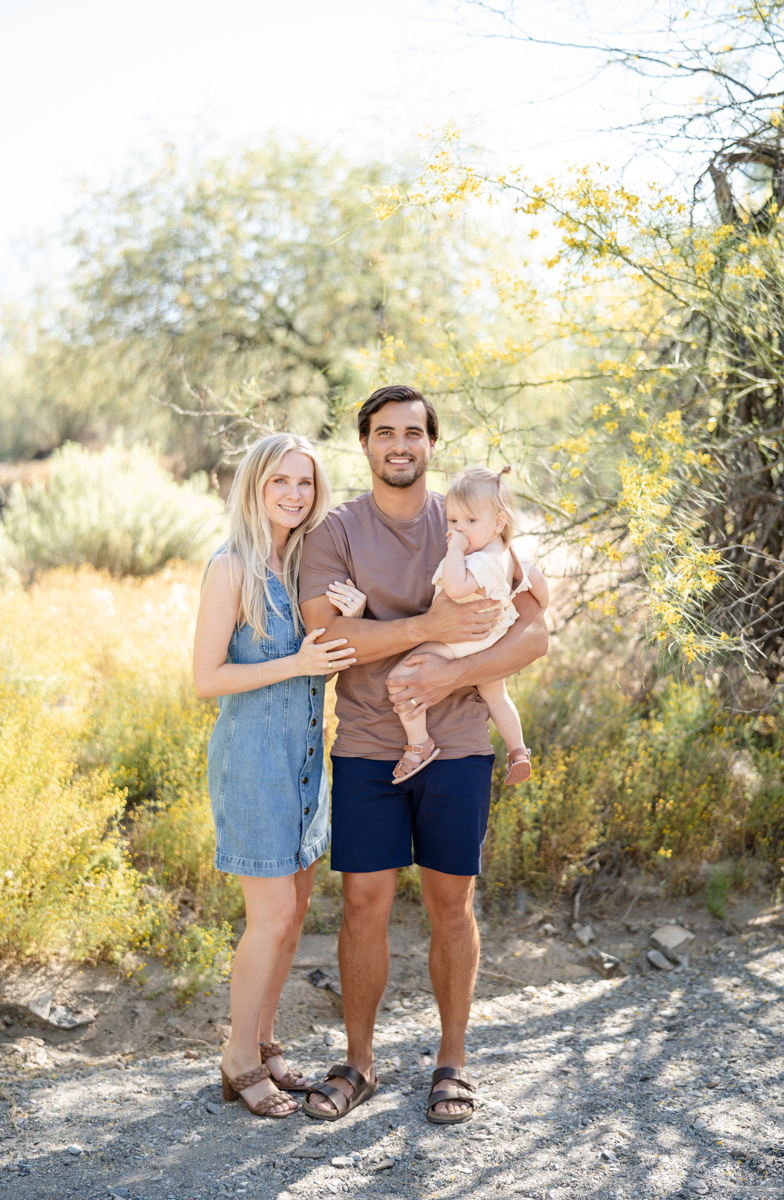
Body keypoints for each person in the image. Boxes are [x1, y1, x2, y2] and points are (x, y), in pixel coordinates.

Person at [298, 385, 548, 1126]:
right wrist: (429, 625)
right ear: (366, 444)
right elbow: (329, 642)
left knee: (451, 904)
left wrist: (450, 669)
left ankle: (452, 1062)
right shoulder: (336, 532)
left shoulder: (472, 516)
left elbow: (534, 634)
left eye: (413, 432)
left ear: (431, 443)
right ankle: (359, 1062)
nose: (399, 444)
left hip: (464, 744)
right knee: (363, 904)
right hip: (371, 745)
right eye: (384, 432)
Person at [192, 433, 363, 1120]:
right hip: (253, 763)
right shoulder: (229, 567)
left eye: (306, 483)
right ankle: (236, 1058)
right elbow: (207, 679)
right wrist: (296, 663)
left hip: (304, 763)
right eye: (279, 482)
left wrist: (353, 616)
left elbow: (333, 661)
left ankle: (262, 1041)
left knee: (292, 918)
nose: (295, 494)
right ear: (254, 487)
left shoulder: (304, 568)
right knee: (270, 919)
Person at [388, 465, 549, 784]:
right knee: (496, 696)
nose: (459, 529)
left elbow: (457, 588)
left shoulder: (476, 559)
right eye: (453, 521)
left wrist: (455, 549)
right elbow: (540, 586)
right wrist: (537, 605)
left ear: (498, 522)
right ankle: (517, 750)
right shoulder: (509, 555)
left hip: (462, 640)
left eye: (470, 522)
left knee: (401, 677)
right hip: (492, 637)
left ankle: (419, 744)